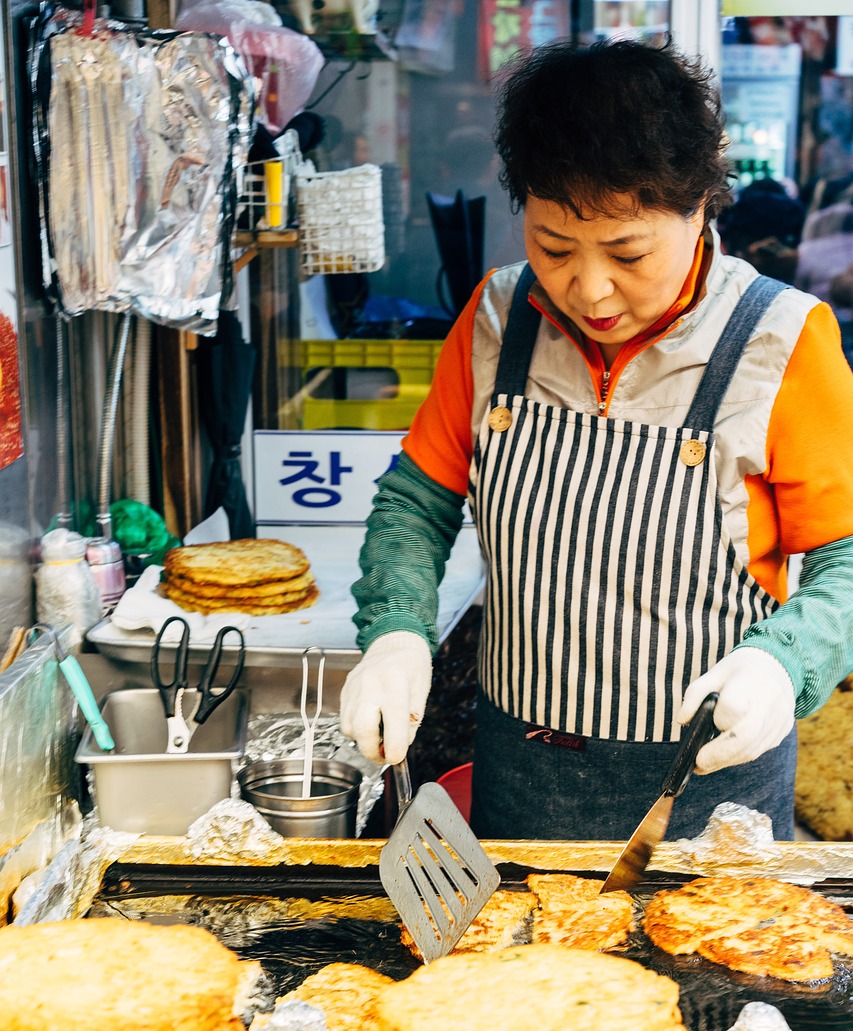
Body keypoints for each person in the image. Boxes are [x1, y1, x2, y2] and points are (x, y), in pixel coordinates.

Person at [339, 38, 853, 841]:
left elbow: (844, 561)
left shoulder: (781, 339)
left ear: (698, 207)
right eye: (550, 247)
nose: (589, 287)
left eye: (627, 252)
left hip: (707, 791)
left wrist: (783, 663)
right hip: (523, 775)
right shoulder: (495, 321)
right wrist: (397, 630)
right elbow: (417, 500)